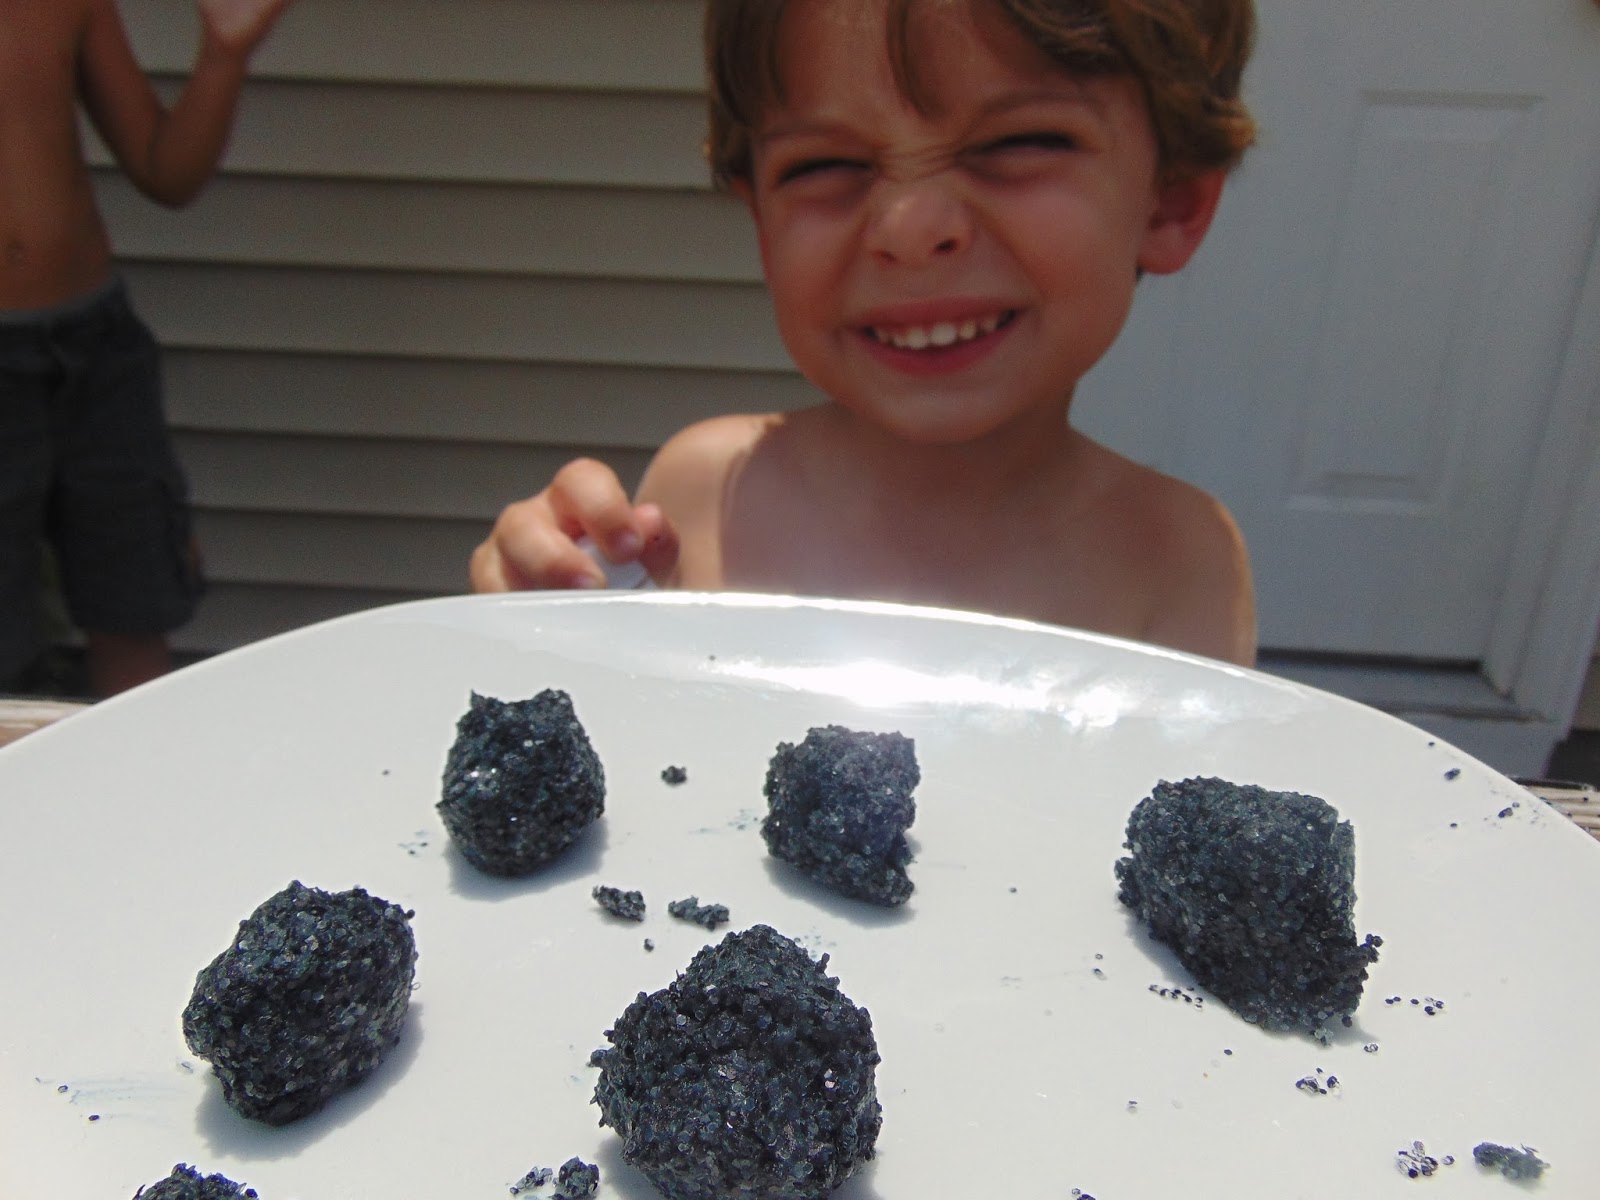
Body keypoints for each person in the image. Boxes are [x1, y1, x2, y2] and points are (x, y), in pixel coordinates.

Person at [471, 0, 1260, 666]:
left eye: (1019, 143)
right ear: (761, 221)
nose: (910, 229)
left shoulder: (1179, 559)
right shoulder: (707, 491)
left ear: (1171, 204)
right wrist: (548, 610)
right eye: (823, 165)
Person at [1, 0, 295, 697]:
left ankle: (136, 765)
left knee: (134, 608)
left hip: (95, 349)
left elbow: (168, 172)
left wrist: (224, 54)